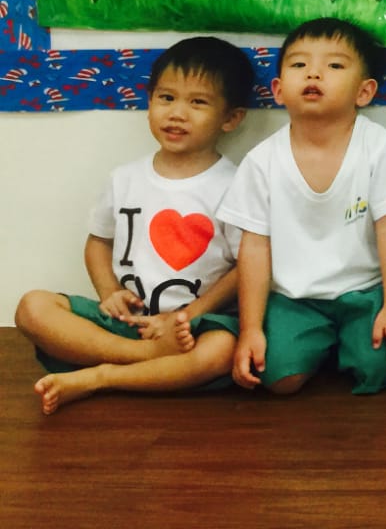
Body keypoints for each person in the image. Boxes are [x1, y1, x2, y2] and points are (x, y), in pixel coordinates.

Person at [16, 37, 256, 414]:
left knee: (222, 350)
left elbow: (248, 265)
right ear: (149, 102)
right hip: (127, 323)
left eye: (197, 102)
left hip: (192, 328)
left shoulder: (235, 185)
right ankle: (145, 359)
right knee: (32, 307)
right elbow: (99, 242)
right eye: (166, 98)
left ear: (231, 118)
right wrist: (109, 292)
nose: (177, 113)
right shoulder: (125, 178)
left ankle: (101, 376)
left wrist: (189, 315)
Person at [220, 17, 386, 394]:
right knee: (276, 377)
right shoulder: (262, 161)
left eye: (334, 65)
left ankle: (355, 340)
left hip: (370, 289)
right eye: (299, 64)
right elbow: (254, 247)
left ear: (364, 92)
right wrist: (250, 329)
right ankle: (320, 344)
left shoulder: (376, 145)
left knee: (378, 366)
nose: (313, 73)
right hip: (296, 299)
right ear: (279, 90)